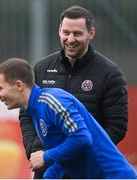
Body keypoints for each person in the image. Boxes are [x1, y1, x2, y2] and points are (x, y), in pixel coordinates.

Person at [19, 5, 128, 178]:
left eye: (77, 33)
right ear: (59, 31)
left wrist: (76, 153)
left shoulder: (110, 73)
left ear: (91, 33)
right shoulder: (42, 68)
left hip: (85, 169)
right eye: (66, 32)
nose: (70, 39)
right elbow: (26, 114)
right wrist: (35, 150)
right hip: (47, 166)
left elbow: (117, 126)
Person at [0, 58, 136, 179]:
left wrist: (46, 156)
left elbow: (82, 138)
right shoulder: (36, 109)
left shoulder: (51, 101)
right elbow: (65, 157)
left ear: (18, 85)